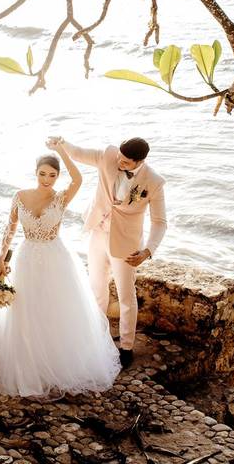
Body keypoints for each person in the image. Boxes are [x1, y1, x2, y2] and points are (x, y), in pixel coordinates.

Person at [0, 140, 121, 398]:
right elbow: (10, 227)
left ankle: (58, 362)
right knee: (27, 310)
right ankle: (30, 366)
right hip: (25, 258)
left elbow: (78, 178)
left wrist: (61, 152)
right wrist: (2, 257)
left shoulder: (61, 197)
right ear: (35, 172)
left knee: (56, 309)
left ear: (58, 176)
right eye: (43, 173)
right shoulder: (20, 196)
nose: (47, 179)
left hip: (56, 259)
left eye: (53, 175)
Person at [51, 136, 167, 369]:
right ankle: (97, 338)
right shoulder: (109, 155)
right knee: (97, 288)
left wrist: (148, 251)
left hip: (126, 245)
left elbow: (159, 222)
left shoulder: (154, 182)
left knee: (126, 296)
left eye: (125, 162)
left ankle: (126, 346)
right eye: (119, 159)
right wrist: (61, 143)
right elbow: (79, 152)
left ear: (140, 161)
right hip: (97, 234)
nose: (119, 163)